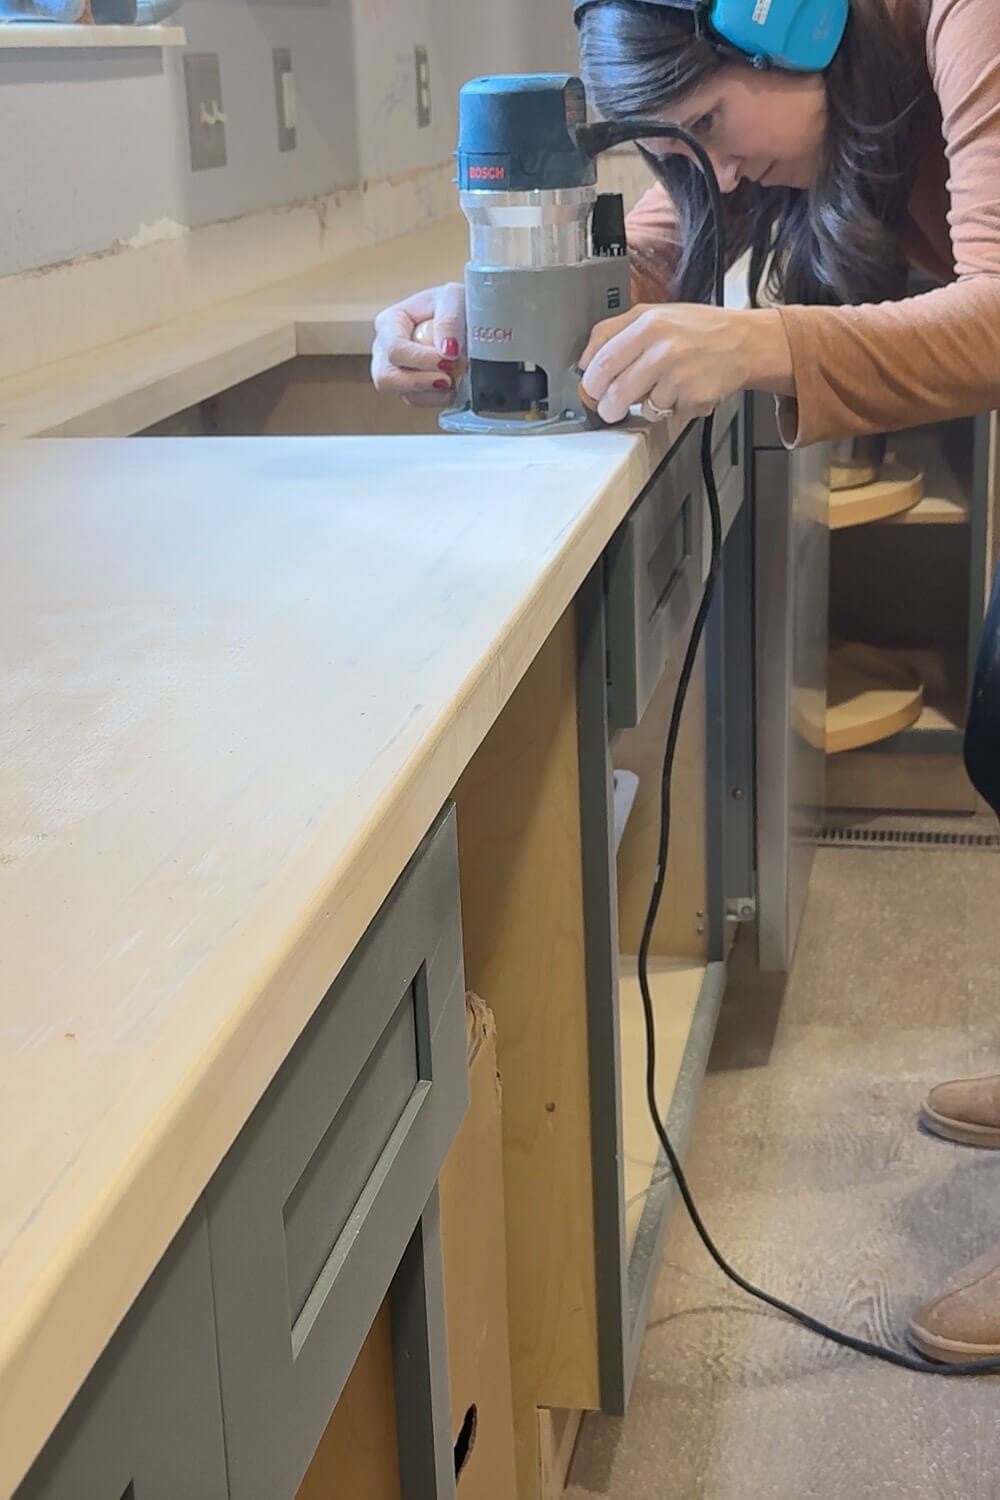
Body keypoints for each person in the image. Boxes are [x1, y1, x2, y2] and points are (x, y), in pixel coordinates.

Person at [370, 0, 1000, 1362]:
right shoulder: (748, 144)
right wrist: (455, 319)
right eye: (676, 147)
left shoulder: (966, 20)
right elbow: (652, 268)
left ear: (798, 27)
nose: (709, 175)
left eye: (713, 126)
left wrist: (765, 347)